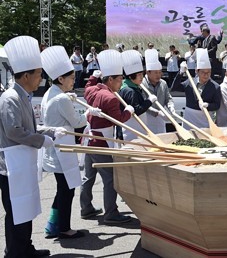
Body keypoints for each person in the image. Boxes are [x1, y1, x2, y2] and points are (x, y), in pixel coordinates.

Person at [0, 35, 56, 257]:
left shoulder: (23, 95)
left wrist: (49, 131)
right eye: (39, 74)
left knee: (27, 208)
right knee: (15, 211)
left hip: (23, 161)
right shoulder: (10, 98)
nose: (41, 78)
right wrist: (42, 140)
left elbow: (28, 128)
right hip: (10, 166)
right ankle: (14, 252)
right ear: (26, 75)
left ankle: (25, 247)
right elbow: (14, 131)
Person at [40, 46, 102, 239]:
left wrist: (70, 99)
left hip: (56, 148)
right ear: (61, 79)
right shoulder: (60, 98)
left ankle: (53, 226)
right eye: (72, 78)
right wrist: (89, 113)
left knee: (62, 190)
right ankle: (64, 229)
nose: (74, 81)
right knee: (67, 192)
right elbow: (77, 122)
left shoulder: (50, 93)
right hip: (62, 150)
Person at [81, 49, 134, 224]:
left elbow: (88, 86)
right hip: (101, 142)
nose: (121, 83)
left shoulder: (92, 90)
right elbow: (118, 120)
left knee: (89, 176)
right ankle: (111, 213)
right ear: (110, 79)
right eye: (119, 80)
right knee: (110, 177)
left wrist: (93, 77)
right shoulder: (110, 97)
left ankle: (86, 207)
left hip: (88, 139)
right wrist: (128, 112)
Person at [174, 48, 221, 129]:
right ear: (197, 71)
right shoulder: (190, 82)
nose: (206, 75)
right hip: (189, 118)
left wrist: (208, 105)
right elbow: (175, 88)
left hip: (205, 119)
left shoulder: (215, 86)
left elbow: (217, 105)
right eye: (203, 72)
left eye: (208, 72)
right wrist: (180, 73)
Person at [119, 50, 156, 141]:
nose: (141, 77)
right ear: (131, 77)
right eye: (138, 75)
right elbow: (137, 110)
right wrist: (149, 101)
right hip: (131, 129)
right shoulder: (129, 91)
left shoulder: (132, 86)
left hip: (137, 127)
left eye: (142, 74)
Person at [143, 49, 175, 134]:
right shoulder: (142, 84)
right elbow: (142, 104)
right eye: (156, 73)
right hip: (146, 118)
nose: (159, 75)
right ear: (148, 72)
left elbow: (168, 99)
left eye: (160, 72)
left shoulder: (163, 83)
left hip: (161, 119)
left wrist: (171, 107)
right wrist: (157, 112)